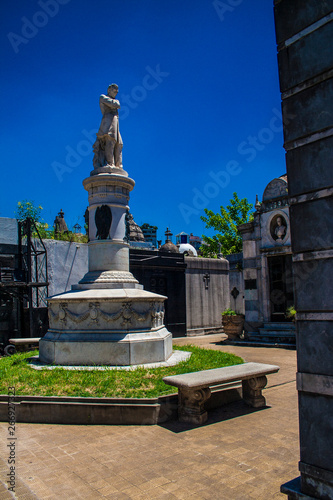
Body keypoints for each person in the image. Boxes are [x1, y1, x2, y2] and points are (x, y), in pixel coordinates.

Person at [93, 84, 123, 168]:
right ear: (109, 90)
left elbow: (117, 104)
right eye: (114, 90)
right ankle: (110, 163)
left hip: (115, 123)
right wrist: (115, 103)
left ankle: (118, 165)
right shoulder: (102, 97)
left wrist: (116, 103)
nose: (116, 92)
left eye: (117, 91)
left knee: (119, 143)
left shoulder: (113, 100)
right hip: (108, 121)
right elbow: (115, 104)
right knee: (110, 139)